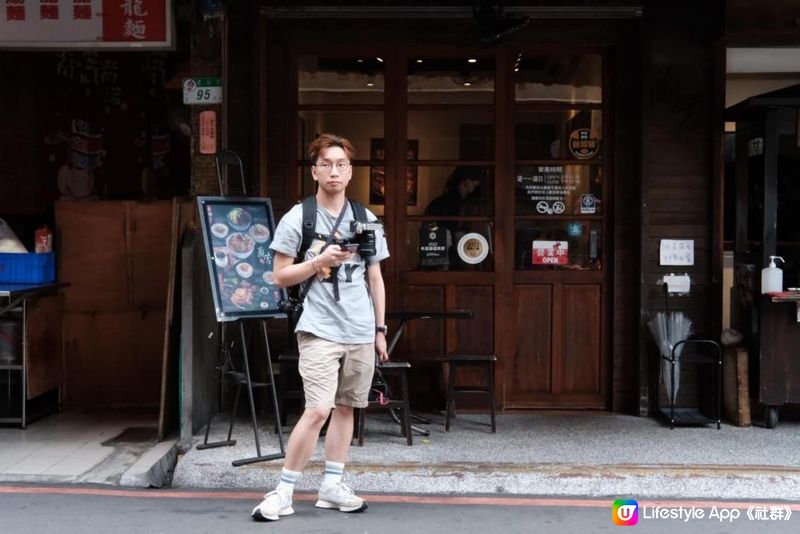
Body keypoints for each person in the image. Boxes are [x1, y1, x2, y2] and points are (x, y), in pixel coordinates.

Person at [251, 133, 390, 522]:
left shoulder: (366, 218)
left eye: (341, 164)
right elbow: (279, 276)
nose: (334, 171)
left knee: (347, 408)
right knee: (317, 410)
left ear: (350, 171)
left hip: (361, 330)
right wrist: (318, 261)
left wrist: (380, 330)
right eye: (326, 164)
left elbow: (375, 277)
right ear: (314, 171)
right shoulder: (300, 217)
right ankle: (283, 491)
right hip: (319, 328)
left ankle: (332, 485)